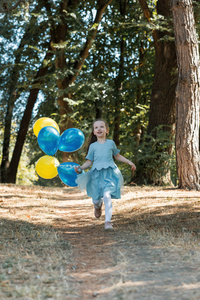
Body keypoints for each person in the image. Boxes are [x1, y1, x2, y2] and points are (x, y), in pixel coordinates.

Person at [75, 119, 136, 230]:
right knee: (96, 199)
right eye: (96, 127)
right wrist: (80, 168)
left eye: (102, 127)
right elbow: (89, 161)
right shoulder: (93, 146)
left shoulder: (110, 143)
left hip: (110, 174)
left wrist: (129, 162)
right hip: (96, 175)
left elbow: (117, 156)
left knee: (107, 196)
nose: (99, 129)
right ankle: (97, 206)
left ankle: (108, 222)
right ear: (94, 132)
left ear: (106, 130)